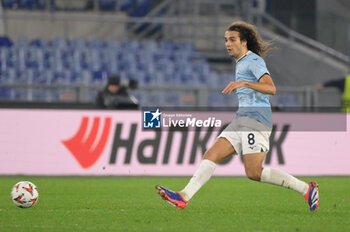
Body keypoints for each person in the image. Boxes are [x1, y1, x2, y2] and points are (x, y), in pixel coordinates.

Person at [155, 21, 319, 212]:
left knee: (254, 172)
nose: (228, 44)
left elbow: (271, 88)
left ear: (244, 42)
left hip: (256, 119)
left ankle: (306, 188)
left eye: (232, 39)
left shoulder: (254, 61)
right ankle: (184, 196)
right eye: (226, 40)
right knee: (211, 155)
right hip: (241, 119)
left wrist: (244, 84)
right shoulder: (241, 62)